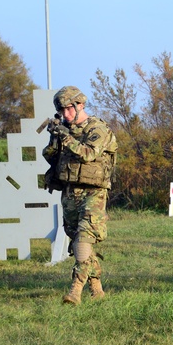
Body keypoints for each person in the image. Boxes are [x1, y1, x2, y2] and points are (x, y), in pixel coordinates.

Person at [42, 86, 118, 305]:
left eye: (68, 109)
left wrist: (66, 138)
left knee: (84, 239)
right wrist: (55, 138)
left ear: (80, 105)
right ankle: (97, 290)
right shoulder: (64, 129)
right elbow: (51, 157)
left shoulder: (98, 128)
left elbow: (89, 153)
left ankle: (75, 291)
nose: (65, 115)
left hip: (93, 192)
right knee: (78, 243)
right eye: (61, 111)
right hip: (69, 192)